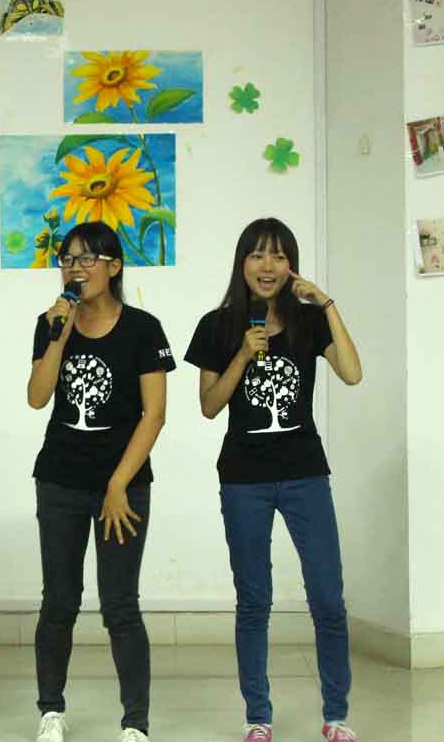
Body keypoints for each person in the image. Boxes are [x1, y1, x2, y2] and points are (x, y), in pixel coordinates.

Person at [184, 218, 362, 742]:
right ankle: (257, 716)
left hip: (306, 474)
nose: (268, 266)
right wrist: (243, 353)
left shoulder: (309, 321)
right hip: (244, 479)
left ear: (292, 266)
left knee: (327, 598)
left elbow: (352, 373)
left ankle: (336, 715)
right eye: (258, 255)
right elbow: (209, 406)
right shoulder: (217, 326)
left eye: (279, 256)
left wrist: (326, 303)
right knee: (254, 601)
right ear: (242, 263)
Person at [27, 222, 174, 742]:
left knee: (120, 605)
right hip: (60, 482)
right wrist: (59, 334)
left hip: (125, 485)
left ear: (114, 266)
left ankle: (135, 723)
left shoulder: (143, 329)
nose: (75, 268)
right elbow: (37, 397)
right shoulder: (50, 323)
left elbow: (154, 415)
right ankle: (51, 711)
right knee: (59, 601)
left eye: (87, 258)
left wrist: (117, 485)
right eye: (68, 259)